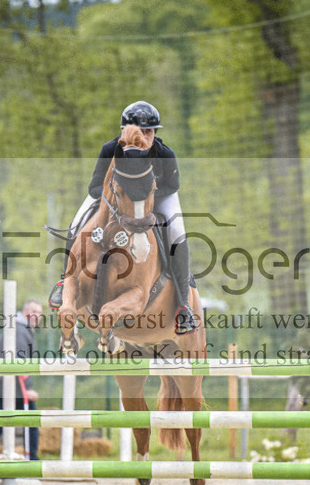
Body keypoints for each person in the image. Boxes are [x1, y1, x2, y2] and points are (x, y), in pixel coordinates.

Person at [48, 100, 198, 334]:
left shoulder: (164, 153)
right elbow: (95, 187)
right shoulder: (110, 150)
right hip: (114, 199)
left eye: (149, 132)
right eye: (140, 131)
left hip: (157, 198)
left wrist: (145, 200)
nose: (145, 137)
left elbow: (173, 184)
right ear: (127, 132)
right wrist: (118, 200)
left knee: (178, 232)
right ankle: (63, 281)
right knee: (76, 222)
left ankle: (183, 305)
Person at [0, 300, 43, 461]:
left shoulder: (19, 328)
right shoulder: (20, 331)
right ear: (26, 313)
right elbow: (19, 363)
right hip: (11, 386)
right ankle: (32, 459)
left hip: (4, 384)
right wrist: (27, 389)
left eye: (40, 313)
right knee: (31, 422)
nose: (39, 316)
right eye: (35, 312)